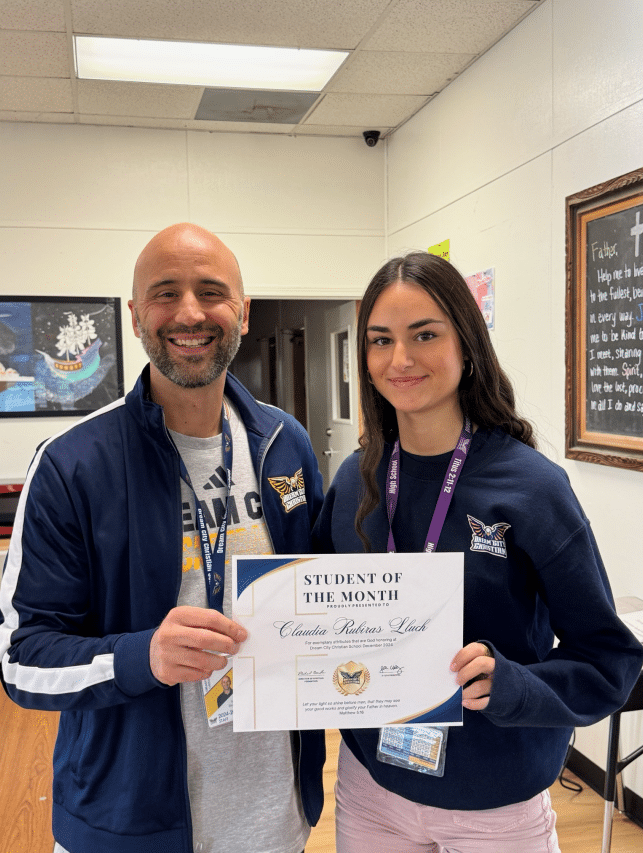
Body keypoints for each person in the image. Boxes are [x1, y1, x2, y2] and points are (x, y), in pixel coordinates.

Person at [0, 223, 325, 853]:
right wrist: (140, 657)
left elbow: (319, 599)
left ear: (244, 311)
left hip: (275, 818)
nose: (190, 313)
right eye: (164, 293)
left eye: (211, 291)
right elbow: (22, 660)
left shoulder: (286, 444)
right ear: (133, 314)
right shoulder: (73, 464)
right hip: (126, 825)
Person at [312, 251, 643, 853]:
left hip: (497, 804)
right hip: (372, 790)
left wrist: (511, 685)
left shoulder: (532, 488)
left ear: (467, 345)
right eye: (380, 340)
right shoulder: (353, 482)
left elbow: (609, 662)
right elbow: (311, 618)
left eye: (425, 335)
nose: (400, 359)